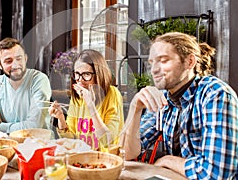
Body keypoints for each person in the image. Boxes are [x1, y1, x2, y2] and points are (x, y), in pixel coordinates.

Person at [120, 32, 237, 179]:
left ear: (190, 62)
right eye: (152, 63)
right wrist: (135, 109)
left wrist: (168, 160)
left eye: (163, 60)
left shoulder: (215, 94)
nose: (154, 70)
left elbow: (215, 175)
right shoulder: (164, 98)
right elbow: (126, 153)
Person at [48, 49, 124, 151]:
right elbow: (71, 140)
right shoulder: (77, 97)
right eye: (77, 74)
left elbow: (108, 140)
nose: (80, 80)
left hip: (106, 160)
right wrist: (61, 118)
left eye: (86, 74)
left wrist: (90, 105)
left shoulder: (112, 94)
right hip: (82, 159)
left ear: (99, 75)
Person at [0, 37, 52, 133]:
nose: (15, 65)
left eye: (19, 59)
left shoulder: (39, 80)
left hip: (40, 143)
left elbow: (34, 126)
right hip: (8, 144)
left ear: (25, 58)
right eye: (8, 61)